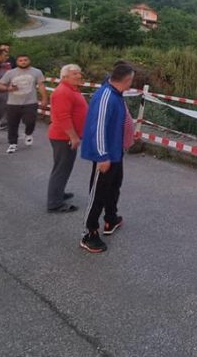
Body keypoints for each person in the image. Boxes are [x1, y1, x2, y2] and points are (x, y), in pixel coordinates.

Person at [79, 62, 135, 253]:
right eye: (132, 80)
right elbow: (98, 127)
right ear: (127, 80)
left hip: (116, 151)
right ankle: (89, 233)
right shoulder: (106, 96)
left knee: (114, 186)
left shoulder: (116, 93)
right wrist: (102, 156)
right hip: (105, 154)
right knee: (98, 193)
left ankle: (111, 219)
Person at [46, 64, 87, 213]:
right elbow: (63, 117)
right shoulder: (63, 92)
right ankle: (55, 203)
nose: (78, 76)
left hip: (65, 136)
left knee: (64, 167)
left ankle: (58, 193)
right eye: (74, 74)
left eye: (79, 73)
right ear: (64, 76)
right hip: (63, 137)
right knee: (61, 169)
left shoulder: (71, 90)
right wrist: (73, 136)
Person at [0, 54, 47, 154]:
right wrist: (8, 88)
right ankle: (13, 143)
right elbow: (0, 85)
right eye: (20, 60)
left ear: (29, 61)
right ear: (17, 62)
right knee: (12, 124)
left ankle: (28, 133)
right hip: (13, 103)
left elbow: (41, 85)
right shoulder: (10, 73)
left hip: (30, 102)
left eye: (25, 60)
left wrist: (44, 99)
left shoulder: (36, 72)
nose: (23, 62)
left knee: (30, 121)